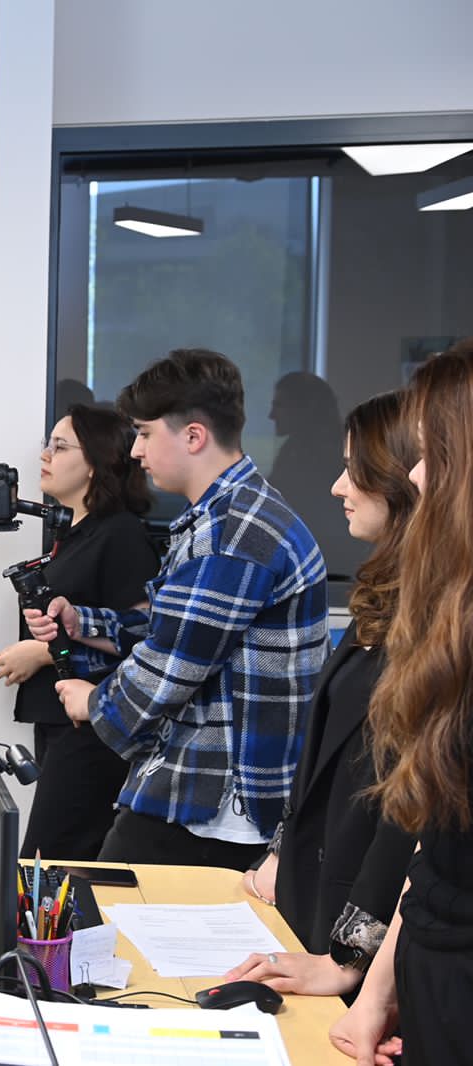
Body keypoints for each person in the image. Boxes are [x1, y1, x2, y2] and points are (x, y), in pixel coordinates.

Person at [28, 348, 328, 869]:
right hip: (194, 778)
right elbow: (178, 623)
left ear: (193, 436)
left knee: (99, 901)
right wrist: (85, 623)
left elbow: (172, 663)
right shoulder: (222, 515)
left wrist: (94, 702)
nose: (136, 450)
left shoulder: (234, 533)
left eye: (145, 434)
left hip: (216, 800)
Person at [223, 390, 417, 1000]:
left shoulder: (435, 618)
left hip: (364, 927)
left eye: (355, 470)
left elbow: (412, 804)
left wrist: (351, 955)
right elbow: (326, 752)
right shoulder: (384, 592)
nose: (337, 487)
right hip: (316, 893)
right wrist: (282, 854)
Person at [331, 340, 473, 1066]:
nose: (417, 474)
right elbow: (432, 836)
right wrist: (376, 986)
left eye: (434, 453)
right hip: (426, 975)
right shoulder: (454, 617)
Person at [0, 404, 158, 860]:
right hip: (60, 716)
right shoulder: (70, 531)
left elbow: (145, 638)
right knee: (59, 860)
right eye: (48, 444)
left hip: (92, 726)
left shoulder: (121, 534)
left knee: (47, 860)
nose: (45, 455)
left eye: (60, 447)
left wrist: (41, 653)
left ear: (96, 463)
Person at [268, 371, 363, 582]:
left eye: (279, 405)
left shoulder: (326, 453)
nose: (271, 415)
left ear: (303, 407)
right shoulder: (292, 450)